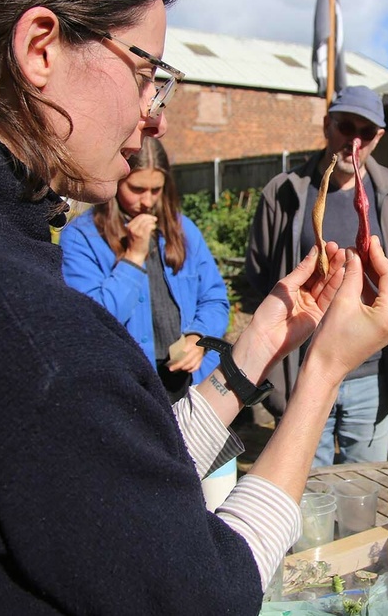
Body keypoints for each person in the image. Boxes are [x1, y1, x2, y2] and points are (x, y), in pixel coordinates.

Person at [0, 0, 388, 613]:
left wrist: (255, 351)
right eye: (145, 72)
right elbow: (208, 593)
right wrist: (322, 375)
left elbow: (98, 486)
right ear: (41, 47)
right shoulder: (28, 327)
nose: (154, 113)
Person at [246, 85, 388, 466]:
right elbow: (261, 274)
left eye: (367, 132)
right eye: (345, 125)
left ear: (380, 137)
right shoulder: (283, 192)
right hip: (305, 371)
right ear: (327, 125)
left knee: (365, 485)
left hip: (372, 375)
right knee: (306, 493)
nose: (353, 140)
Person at [60, 136, 237, 509]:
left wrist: (197, 337)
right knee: (154, 504)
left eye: (156, 189)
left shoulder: (182, 229)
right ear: (116, 179)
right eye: (136, 189)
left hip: (192, 390)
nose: (147, 200)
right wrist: (133, 257)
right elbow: (91, 319)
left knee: (217, 505)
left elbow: (215, 299)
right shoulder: (82, 239)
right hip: (131, 397)